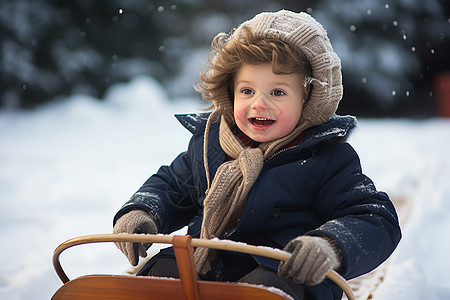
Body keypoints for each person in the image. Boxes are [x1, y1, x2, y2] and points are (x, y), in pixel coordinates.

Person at [113, 10, 401, 300]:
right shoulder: (209, 145)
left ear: (308, 98)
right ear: (231, 92)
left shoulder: (326, 157)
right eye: (248, 90)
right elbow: (172, 186)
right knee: (164, 272)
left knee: (265, 288)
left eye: (277, 92)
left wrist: (330, 245)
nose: (259, 104)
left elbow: (373, 218)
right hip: (206, 263)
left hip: (284, 272)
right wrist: (143, 210)